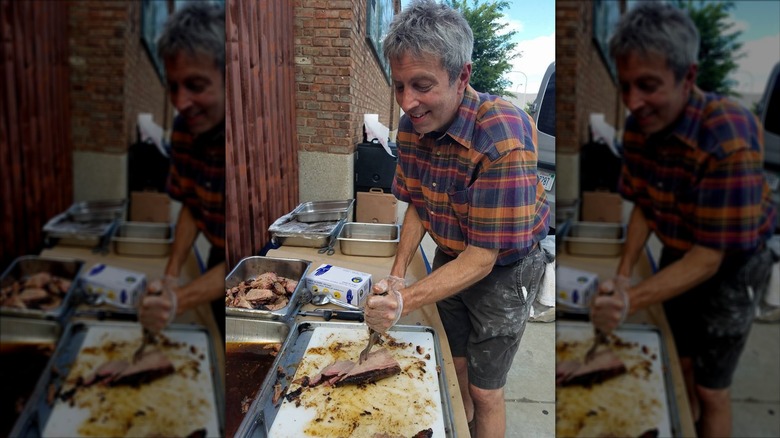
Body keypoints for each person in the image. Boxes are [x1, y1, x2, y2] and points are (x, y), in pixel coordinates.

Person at [362, 1, 551, 437]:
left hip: (506, 268)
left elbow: (483, 258)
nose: (407, 101)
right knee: (455, 360)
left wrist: (404, 302)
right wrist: (397, 275)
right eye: (399, 85)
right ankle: (460, 427)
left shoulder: (501, 134)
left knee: (486, 390)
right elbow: (417, 203)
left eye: (422, 85)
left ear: (462, 76)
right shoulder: (412, 126)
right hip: (451, 253)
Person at [590, 3, 777, 437]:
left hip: (734, 264)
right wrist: (622, 274)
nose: (633, 102)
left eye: (648, 85)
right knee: (681, 359)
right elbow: (643, 205)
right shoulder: (639, 128)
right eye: (625, 85)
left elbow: (710, 258)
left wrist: (628, 301)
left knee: (712, 388)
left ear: (688, 77)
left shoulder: (728, 133)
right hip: (681, 248)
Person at [138, 2, 227, 338]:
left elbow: (248, 258)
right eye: (173, 86)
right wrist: (171, 276)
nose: (180, 102)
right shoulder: (183, 129)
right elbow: (192, 204)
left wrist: (179, 300)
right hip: (217, 252)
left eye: (196, 86)